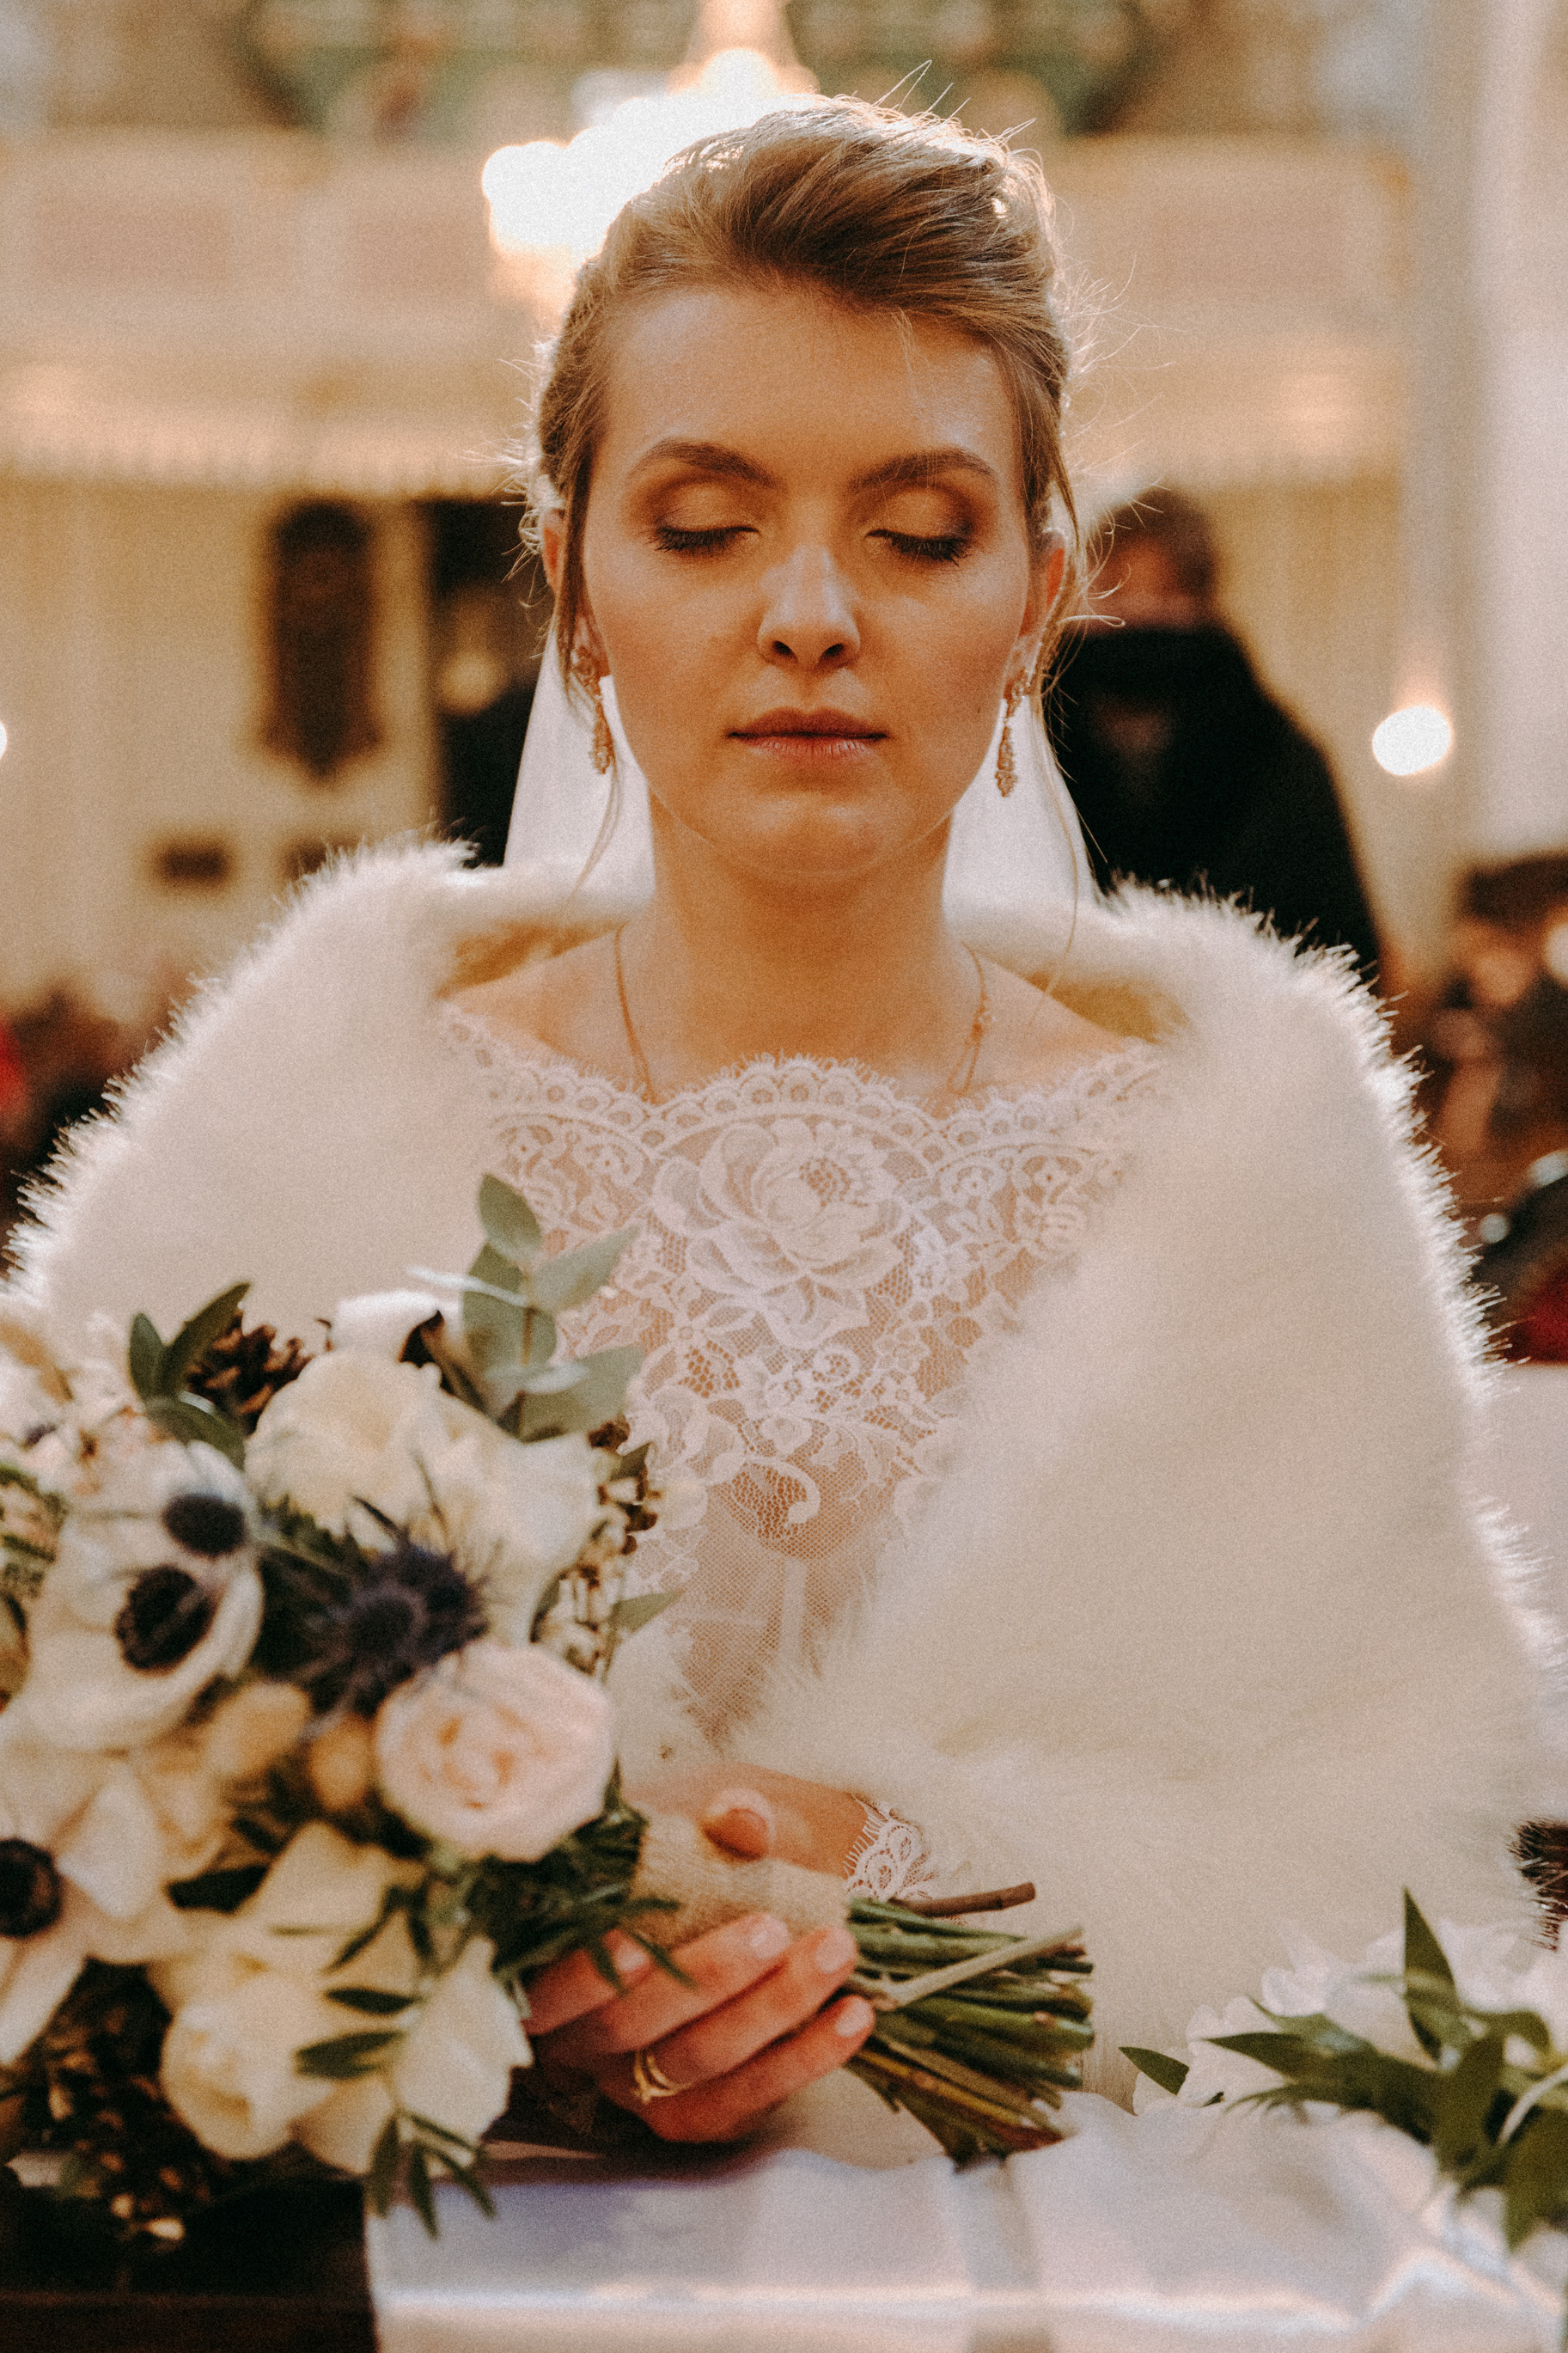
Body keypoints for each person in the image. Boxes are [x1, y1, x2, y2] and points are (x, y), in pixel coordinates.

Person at [5, 103, 1555, 2151]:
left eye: (916, 534)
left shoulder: (1237, 1180)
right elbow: (68, 1764)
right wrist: (460, 1982)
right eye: (703, 526)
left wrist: (909, 1877)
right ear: (573, 588)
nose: (810, 613)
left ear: (1038, 595)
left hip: (1082, 2239)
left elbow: (1405, 1843)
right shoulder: (299, 1131)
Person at [1046, 490, 1382, 976]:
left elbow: (1338, 947)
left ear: (1204, 603)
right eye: (1115, 589)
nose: (1137, 612)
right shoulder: (1028, 745)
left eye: (1167, 593)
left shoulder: (1279, 758)